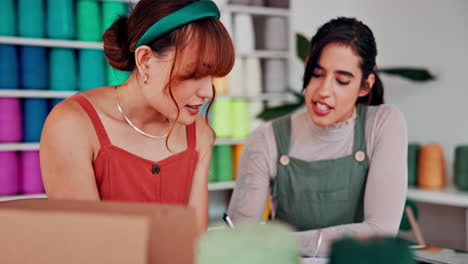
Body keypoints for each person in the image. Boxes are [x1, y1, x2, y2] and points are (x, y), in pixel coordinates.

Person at [40, 0, 235, 234]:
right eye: (194, 75)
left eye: (212, 77)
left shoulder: (198, 132)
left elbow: (193, 242)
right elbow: (83, 246)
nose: (207, 92)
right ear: (145, 60)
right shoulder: (73, 125)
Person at [228, 17, 407, 256]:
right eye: (317, 74)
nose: (323, 91)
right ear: (308, 66)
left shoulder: (383, 123)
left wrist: (277, 243)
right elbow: (240, 240)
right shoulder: (266, 138)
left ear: (365, 86)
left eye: (342, 80)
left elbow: (380, 232)